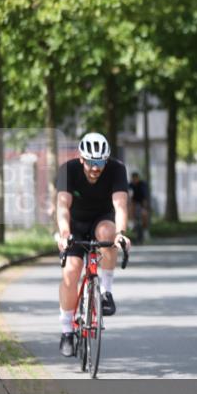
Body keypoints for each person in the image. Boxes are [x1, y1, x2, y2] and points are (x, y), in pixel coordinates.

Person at [55, 133, 131, 357]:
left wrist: (121, 234)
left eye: (100, 162)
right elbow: (62, 206)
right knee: (71, 271)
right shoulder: (67, 170)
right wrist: (65, 234)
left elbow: (120, 205)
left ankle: (106, 292)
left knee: (108, 234)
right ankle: (67, 330)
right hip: (75, 224)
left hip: (102, 219)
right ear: (81, 159)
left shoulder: (117, 169)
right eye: (91, 162)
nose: (95, 168)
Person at [128, 171, 150, 242]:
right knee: (130, 207)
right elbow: (129, 197)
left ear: (138, 178)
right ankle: (132, 223)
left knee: (144, 214)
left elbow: (145, 198)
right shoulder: (130, 185)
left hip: (142, 203)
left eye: (135, 178)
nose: (134, 180)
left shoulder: (142, 185)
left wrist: (144, 208)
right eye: (133, 178)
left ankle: (145, 230)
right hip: (134, 203)